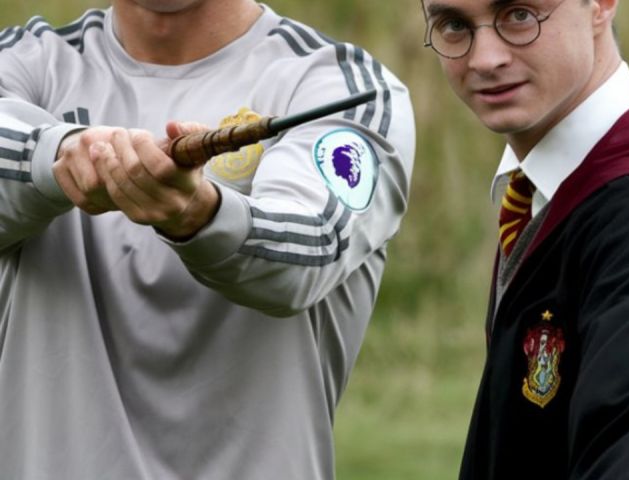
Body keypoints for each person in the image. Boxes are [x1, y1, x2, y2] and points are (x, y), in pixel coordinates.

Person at [0, 0, 415, 478]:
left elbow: (307, 254)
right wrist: (62, 154)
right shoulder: (24, 61)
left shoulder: (343, 87)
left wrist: (198, 213)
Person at [420, 0, 629, 478]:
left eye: (519, 14)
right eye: (454, 25)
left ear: (601, 5)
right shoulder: (550, 187)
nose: (484, 59)